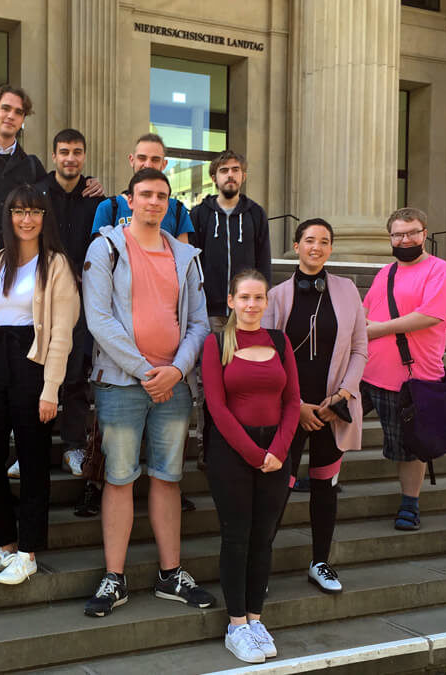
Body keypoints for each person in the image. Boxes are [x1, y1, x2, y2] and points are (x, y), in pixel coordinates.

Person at [81, 168, 214, 617]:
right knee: (118, 477)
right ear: (130, 199)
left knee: (167, 477)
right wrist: (145, 371)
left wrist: (176, 370)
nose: (154, 202)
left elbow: (199, 322)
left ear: (170, 203)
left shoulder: (185, 255)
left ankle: (170, 573)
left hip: (173, 386)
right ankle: (114, 578)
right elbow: (99, 319)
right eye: (146, 195)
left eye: (162, 196)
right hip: (122, 383)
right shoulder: (105, 248)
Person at [0, 186, 79, 584]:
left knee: (31, 459)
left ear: (44, 217)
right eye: (18, 211)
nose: (26, 219)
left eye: (33, 211)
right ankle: (4, 544)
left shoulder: (57, 265)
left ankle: (28, 550)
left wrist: (51, 388)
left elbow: (62, 331)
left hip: (34, 362)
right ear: (8, 216)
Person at [263, 219, 367, 594]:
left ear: (330, 249)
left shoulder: (347, 289)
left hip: (331, 409)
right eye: (309, 240)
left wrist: (343, 393)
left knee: (325, 486)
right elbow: (267, 355)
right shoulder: (275, 296)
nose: (316, 247)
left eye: (324, 241)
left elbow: (360, 347)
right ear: (296, 245)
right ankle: (261, 562)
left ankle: (320, 561)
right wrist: (299, 405)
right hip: (289, 410)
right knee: (279, 486)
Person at [202, 269, 300, 663]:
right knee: (237, 536)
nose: (251, 305)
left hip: (277, 451)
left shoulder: (279, 340)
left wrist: (277, 450)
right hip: (232, 452)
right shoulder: (216, 342)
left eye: (258, 298)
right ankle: (236, 625)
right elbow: (216, 406)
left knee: (264, 537)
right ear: (231, 301)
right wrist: (254, 454)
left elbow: (293, 400)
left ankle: (256, 619)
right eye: (244, 297)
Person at [360, 207, 446, 531]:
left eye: (412, 232)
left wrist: (378, 329)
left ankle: (410, 504)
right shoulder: (384, 273)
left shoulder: (439, 270)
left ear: (424, 233)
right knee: (331, 418)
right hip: (368, 372)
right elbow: (365, 311)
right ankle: (322, 476)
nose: (405, 239)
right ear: (390, 237)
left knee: (409, 447)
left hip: (411, 376)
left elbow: (429, 315)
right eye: (398, 234)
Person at [35, 128, 105, 485]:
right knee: (38, 373)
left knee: (76, 375)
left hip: (81, 298)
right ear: (54, 155)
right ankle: (34, 449)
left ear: (84, 156)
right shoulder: (36, 193)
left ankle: (73, 445)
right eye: (64, 151)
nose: (70, 158)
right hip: (41, 295)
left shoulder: (96, 200)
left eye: (77, 152)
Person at [0, 85, 102, 242]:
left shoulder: (31, 165)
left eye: (18, 112)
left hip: (17, 258)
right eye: (5, 108)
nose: (11, 116)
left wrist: (88, 182)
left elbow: (59, 190)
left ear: (23, 119)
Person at [191, 150, 273, 333]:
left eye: (235, 170)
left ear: (243, 176)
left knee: (244, 359)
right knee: (213, 359)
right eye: (224, 170)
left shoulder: (256, 213)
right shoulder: (200, 214)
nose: (230, 175)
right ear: (214, 178)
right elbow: (193, 262)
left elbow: (263, 259)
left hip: (246, 308)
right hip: (209, 310)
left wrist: (261, 298)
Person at [90, 134, 194, 243]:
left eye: (155, 159)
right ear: (132, 160)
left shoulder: (177, 209)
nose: (148, 164)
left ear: (164, 164)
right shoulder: (108, 208)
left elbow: (183, 257)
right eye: (142, 158)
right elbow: (101, 255)